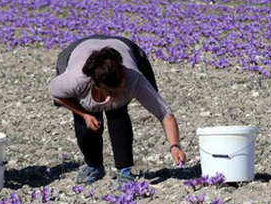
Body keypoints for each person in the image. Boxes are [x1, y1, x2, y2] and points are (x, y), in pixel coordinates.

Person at [49, 35, 185, 185]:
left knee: (117, 112)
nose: (117, 93)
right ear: (96, 84)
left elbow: (165, 113)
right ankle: (93, 166)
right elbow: (56, 95)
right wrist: (84, 114)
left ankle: (124, 170)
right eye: (112, 91)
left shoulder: (133, 78)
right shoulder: (74, 80)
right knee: (85, 119)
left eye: (120, 86)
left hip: (125, 47)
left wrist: (175, 146)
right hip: (76, 51)